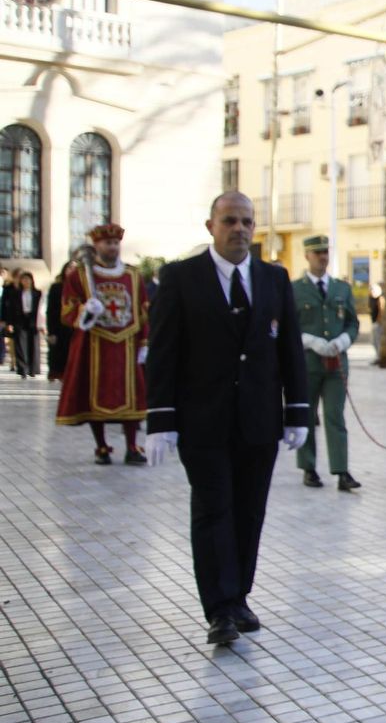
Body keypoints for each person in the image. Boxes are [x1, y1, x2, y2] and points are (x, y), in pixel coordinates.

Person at [144, 192, 311, 646]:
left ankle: (239, 597)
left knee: (249, 511)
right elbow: (163, 353)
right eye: (230, 220)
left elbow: (289, 350)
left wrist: (297, 410)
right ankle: (218, 609)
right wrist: (161, 419)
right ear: (211, 226)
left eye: (246, 221)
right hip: (204, 421)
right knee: (213, 508)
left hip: (258, 421)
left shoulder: (274, 279)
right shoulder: (180, 278)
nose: (239, 228)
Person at [55, 223, 151, 464]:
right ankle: (101, 446)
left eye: (116, 243)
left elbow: (143, 311)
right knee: (93, 395)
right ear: (96, 246)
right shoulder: (78, 276)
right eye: (108, 243)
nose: (112, 247)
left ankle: (132, 446)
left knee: (132, 396)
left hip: (127, 345)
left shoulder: (133, 275)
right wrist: (84, 310)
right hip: (94, 344)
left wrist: (145, 343)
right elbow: (66, 310)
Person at [292, 235, 361, 492]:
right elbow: (286, 328)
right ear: (307, 256)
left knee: (335, 416)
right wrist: (308, 340)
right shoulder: (294, 289)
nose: (323, 256)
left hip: (336, 365)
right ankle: (308, 467)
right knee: (307, 416)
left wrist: (344, 340)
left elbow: (353, 323)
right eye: (317, 252)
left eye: (325, 252)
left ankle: (341, 471)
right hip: (307, 363)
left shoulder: (341, 288)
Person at [4, 269, 42, 377]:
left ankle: (32, 369)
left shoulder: (37, 293)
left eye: (28, 279)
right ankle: (22, 369)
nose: (26, 281)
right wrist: (9, 323)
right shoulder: (15, 294)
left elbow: (41, 309)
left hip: (33, 321)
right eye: (23, 279)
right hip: (19, 321)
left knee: (33, 345)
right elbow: (10, 309)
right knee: (20, 345)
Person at [45, 259, 75, 381]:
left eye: (75, 268)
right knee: (59, 352)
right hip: (60, 327)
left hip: (76, 327)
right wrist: (51, 331)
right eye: (70, 268)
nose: (72, 271)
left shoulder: (83, 288)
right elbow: (51, 310)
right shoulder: (56, 287)